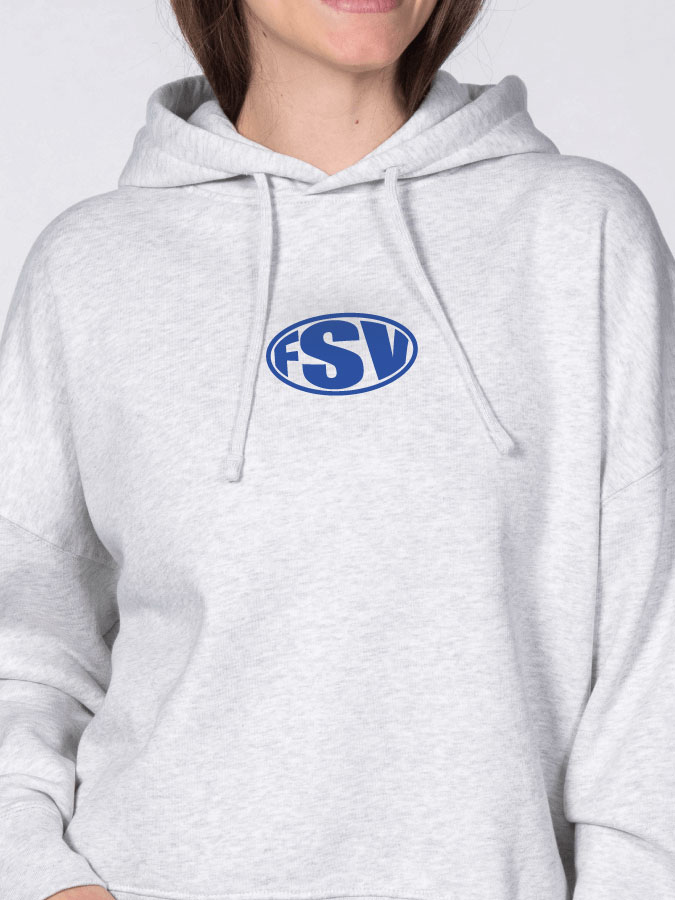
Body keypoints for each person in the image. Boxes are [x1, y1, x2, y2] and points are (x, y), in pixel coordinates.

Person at [1, 1, 674, 899]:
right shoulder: (90, 266)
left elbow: (655, 652)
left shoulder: (579, 233)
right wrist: (40, 876)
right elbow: (25, 644)